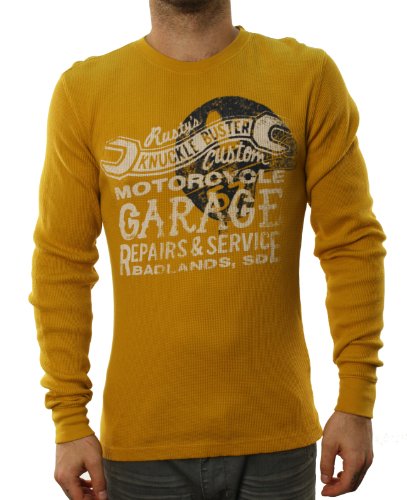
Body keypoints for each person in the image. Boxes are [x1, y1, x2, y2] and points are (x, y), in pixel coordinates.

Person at [28, 0, 387, 498]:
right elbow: (61, 264)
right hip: (141, 444)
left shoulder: (307, 77)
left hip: (277, 437)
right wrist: (69, 418)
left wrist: (357, 399)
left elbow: (351, 244)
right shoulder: (84, 92)